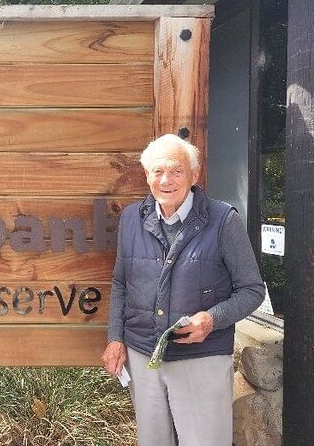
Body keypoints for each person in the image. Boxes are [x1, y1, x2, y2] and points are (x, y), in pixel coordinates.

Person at [101, 133, 265, 446]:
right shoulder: (131, 218)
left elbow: (252, 290)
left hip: (201, 358)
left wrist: (212, 319)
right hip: (142, 356)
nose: (166, 180)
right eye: (158, 171)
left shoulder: (223, 220)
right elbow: (121, 282)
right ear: (147, 175)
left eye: (177, 171)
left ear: (194, 175)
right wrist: (115, 339)